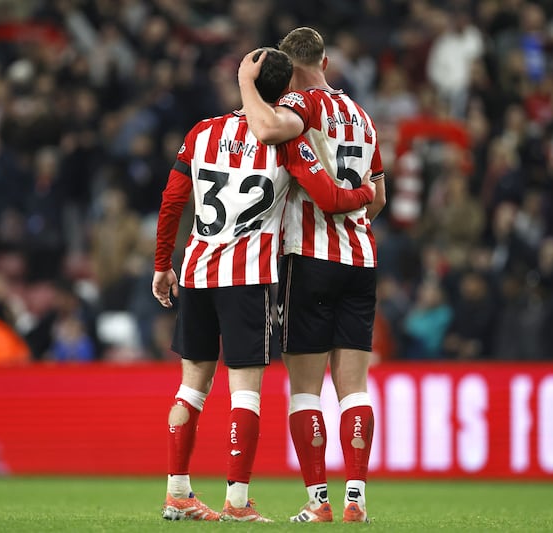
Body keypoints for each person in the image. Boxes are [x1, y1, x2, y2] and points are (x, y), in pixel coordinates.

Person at [153, 48, 375, 523]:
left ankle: (178, 492)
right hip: (247, 278)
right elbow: (328, 196)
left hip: (194, 271)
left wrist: (161, 265)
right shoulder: (284, 142)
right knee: (245, 394)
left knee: (191, 388)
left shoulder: (201, 133)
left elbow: (172, 200)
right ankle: (236, 502)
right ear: (288, 89)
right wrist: (363, 196)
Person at [237, 27, 387, 523]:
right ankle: (357, 501)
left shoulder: (304, 104)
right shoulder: (363, 117)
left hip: (310, 256)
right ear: (324, 58)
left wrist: (247, 83)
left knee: (305, 389)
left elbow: (266, 131)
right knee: (355, 389)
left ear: (288, 64)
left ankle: (319, 501)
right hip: (361, 259)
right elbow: (379, 196)